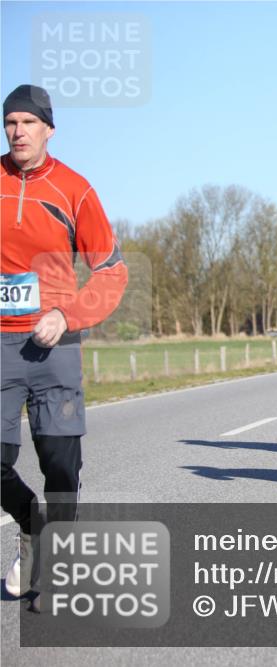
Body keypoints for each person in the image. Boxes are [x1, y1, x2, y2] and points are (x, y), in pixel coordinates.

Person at [2, 85, 128, 599]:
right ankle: (32, 527)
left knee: (59, 461)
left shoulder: (74, 190)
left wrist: (66, 313)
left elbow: (111, 270)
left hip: (56, 344)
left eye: (28, 123)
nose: (18, 132)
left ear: (49, 130)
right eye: (10, 123)